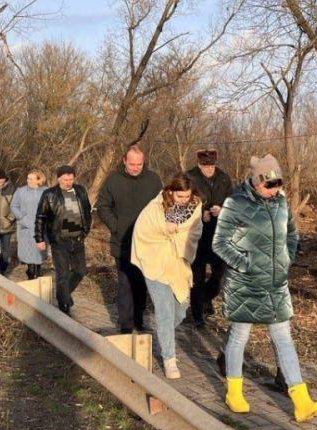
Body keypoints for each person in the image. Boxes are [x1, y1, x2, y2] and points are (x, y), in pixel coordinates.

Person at [212, 155, 317, 423]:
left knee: (283, 338)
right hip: (245, 284)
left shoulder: (280, 202)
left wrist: (286, 258)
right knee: (239, 337)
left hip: (275, 284)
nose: (274, 190)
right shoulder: (235, 202)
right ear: (256, 181)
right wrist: (246, 263)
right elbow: (220, 243)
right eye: (269, 184)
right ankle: (234, 393)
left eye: (278, 183)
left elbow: (292, 234)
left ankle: (301, 401)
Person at [131, 173, 203, 379]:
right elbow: (142, 231)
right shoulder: (155, 207)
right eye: (180, 196)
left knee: (179, 311)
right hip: (156, 264)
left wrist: (177, 234)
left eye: (187, 196)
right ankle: (169, 359)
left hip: (178, 265)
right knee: (164, 311)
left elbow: (194, 233)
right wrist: (165, 230)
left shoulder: (196, 207)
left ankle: (163, 335)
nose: (184, 200)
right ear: (171, 192)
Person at [96, 145, 162, 333]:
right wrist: (116, 226)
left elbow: (163, 205)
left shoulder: (153, 180)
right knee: (125, 284)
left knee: (141, 284)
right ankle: (125, 324)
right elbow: (102, 206)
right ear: (124, 161)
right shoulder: (113, 180)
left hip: (148, 243)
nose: (135, 167)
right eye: (132, 164)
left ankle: (138, 319)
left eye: (139, 164)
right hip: (123, 241)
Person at [34, 165, 92, 314]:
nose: (68, 182)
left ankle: (63, 295)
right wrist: (39, 239)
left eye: (71, 179)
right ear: (59, 178)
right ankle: (64, 304)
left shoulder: (80, 191)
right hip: (60, 240)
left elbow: (87, 211)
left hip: (78, 239)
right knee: (63, 274)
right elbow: (40, 217)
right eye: (65, 179)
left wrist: (86, 230)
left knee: (80, 271)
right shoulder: (49, 194)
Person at [185, 148, 233, 327]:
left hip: (219, 234)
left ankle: (205, 298)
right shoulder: (189, 177)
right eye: (205, 165)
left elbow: (232, 201)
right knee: (197, 276)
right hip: (196, 235)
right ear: (199, 164)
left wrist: (222, 209)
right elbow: (181, 202)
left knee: (219, 274)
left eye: (212, 165)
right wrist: (200, 212)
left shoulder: (224, 178)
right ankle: (197, 314)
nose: (209, 168)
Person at [11, 169, 47, 279]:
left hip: (41, 226)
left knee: (39, 251)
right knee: (28, 251)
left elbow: (51, 207)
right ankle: (31, 272)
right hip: (25, 227)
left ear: (39, 180)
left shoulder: (45, 192)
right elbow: (13, 206)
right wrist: (21, 217)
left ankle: (38, 269)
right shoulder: (20, 191)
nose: (28, 181)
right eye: (28, 178)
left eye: (31, 179)